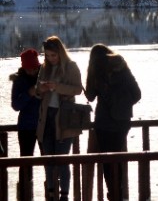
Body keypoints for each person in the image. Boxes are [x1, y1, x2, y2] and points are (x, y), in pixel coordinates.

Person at [85, 44, 142, 201]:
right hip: (123, 121)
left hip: (103, 122)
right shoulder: (121, 65)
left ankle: (113, 192)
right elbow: (137, 94)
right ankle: (119, 193)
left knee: (107, 161)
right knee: (118, 158)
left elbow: (90, 96)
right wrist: (122, 104)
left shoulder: (96, 67)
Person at [36, 36, 83, 201]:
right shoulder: (44, 68)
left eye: (53, 56)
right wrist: (41, 88)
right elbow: (37, 90)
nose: (50, 59)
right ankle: (50, 192)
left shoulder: (71, 67)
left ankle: (64, 195)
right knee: (48, 159)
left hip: (64, 118)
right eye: (47, 56)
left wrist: (58, 87)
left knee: (62, 159)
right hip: (46, 117)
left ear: (60, 53)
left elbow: (78, 89)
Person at [10, 48, 42, 200]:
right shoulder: (19, 81)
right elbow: (16, 105)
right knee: (25, 162)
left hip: (44, 125)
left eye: (35, 68)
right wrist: (29, 94)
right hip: (26, 127)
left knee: (50, 160)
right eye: (29, 69)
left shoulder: (45, 75)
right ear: (24, 67)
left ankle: (52, 192)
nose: (33, 71)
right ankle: (24, 194)